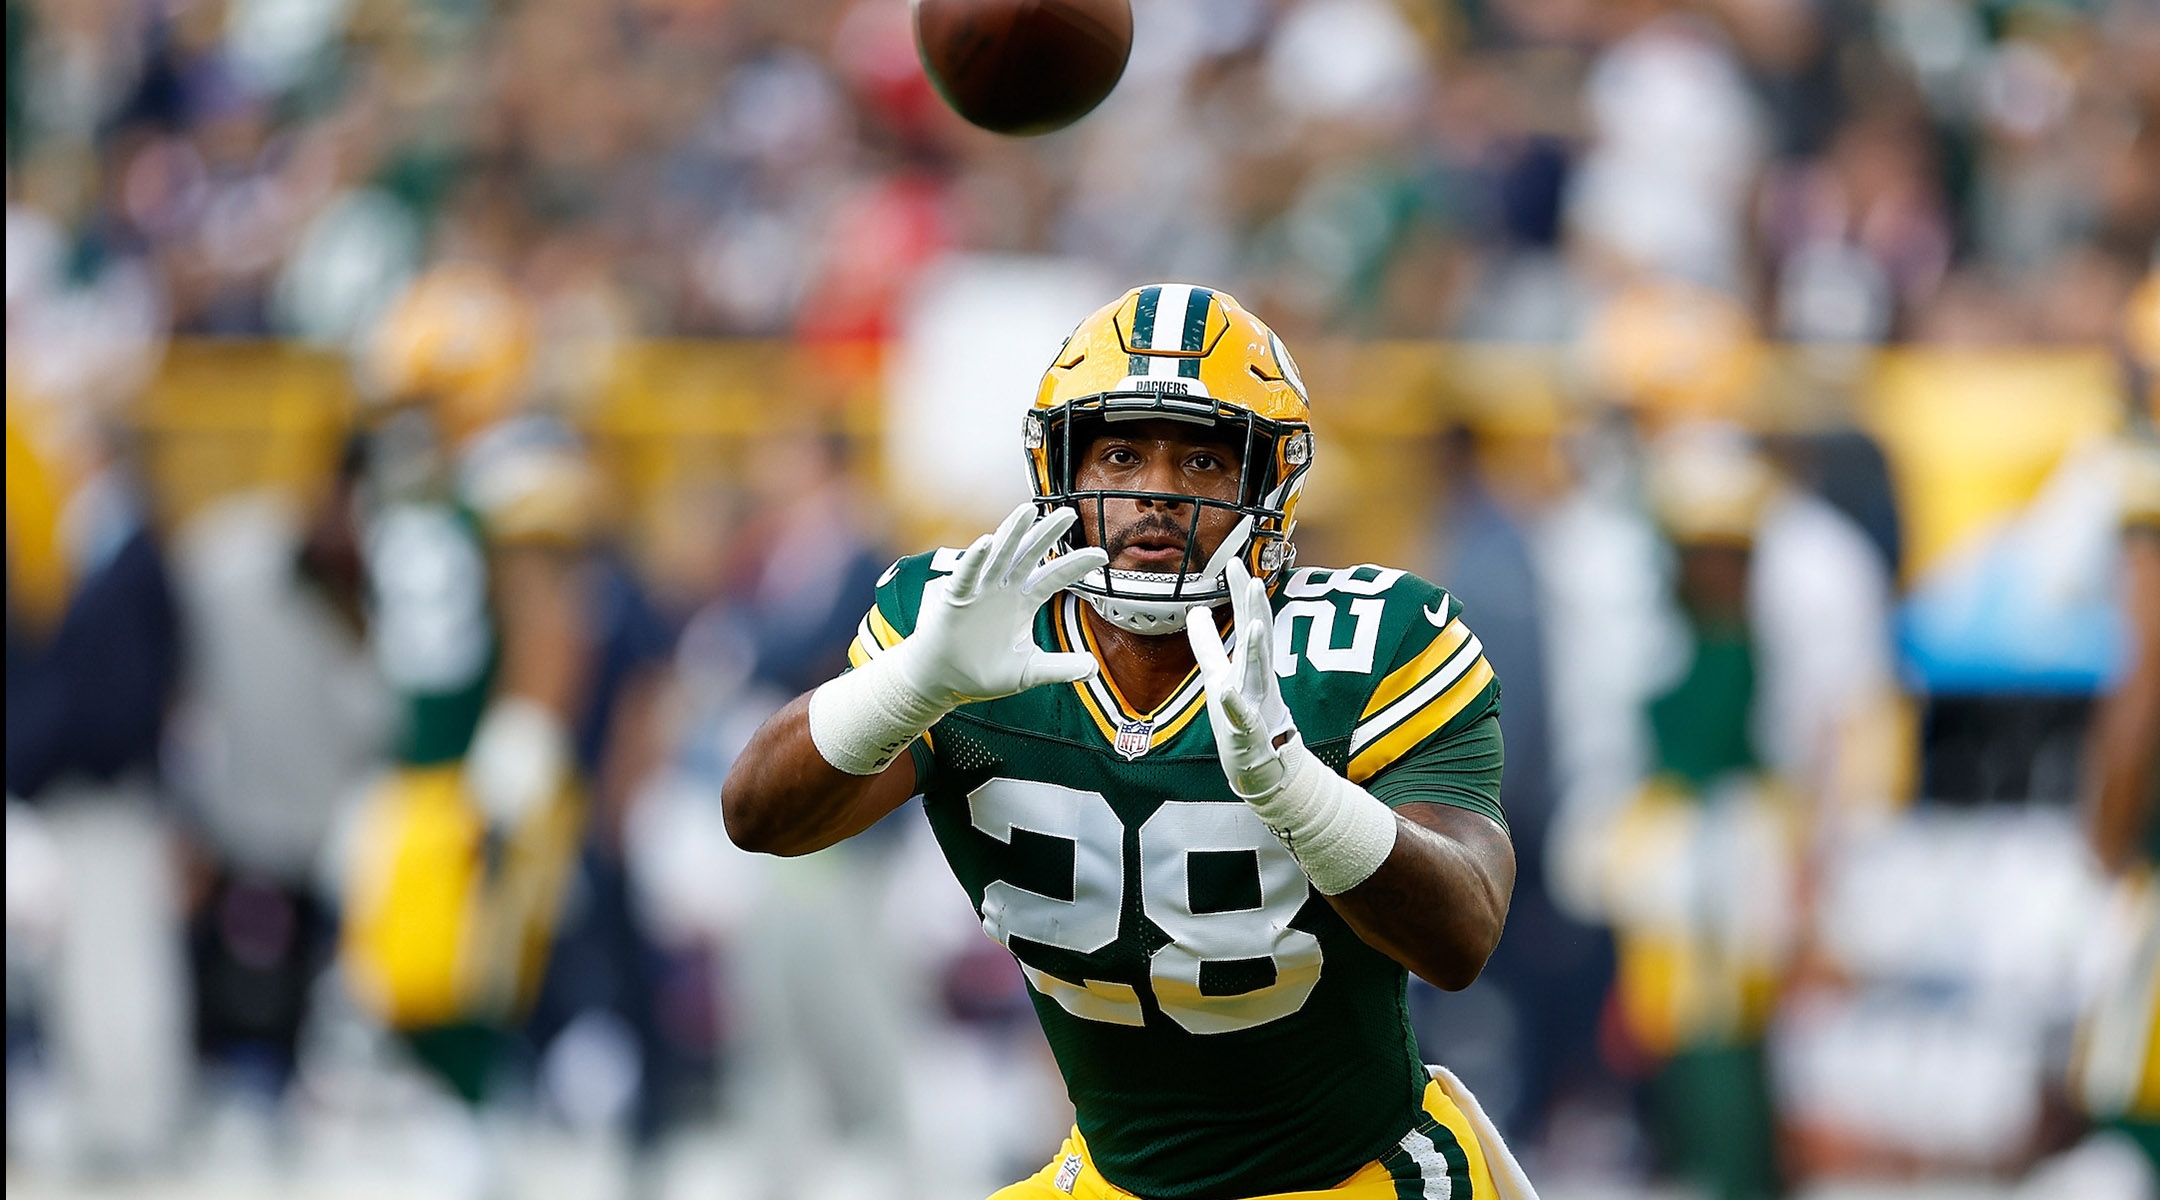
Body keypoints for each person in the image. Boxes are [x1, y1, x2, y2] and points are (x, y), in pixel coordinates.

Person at [724, 284, 1536, 1198]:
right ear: (1060, 470)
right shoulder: (974, 630)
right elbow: (758, 816)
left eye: (1201, 461)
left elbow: (1463, 935)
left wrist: (1297, 791)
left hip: (1354, 1175)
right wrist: (911, 685)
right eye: (1119, 454)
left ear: (1271, 486)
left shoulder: (1372, 646)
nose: (1157, 493)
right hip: (1112, 1177)